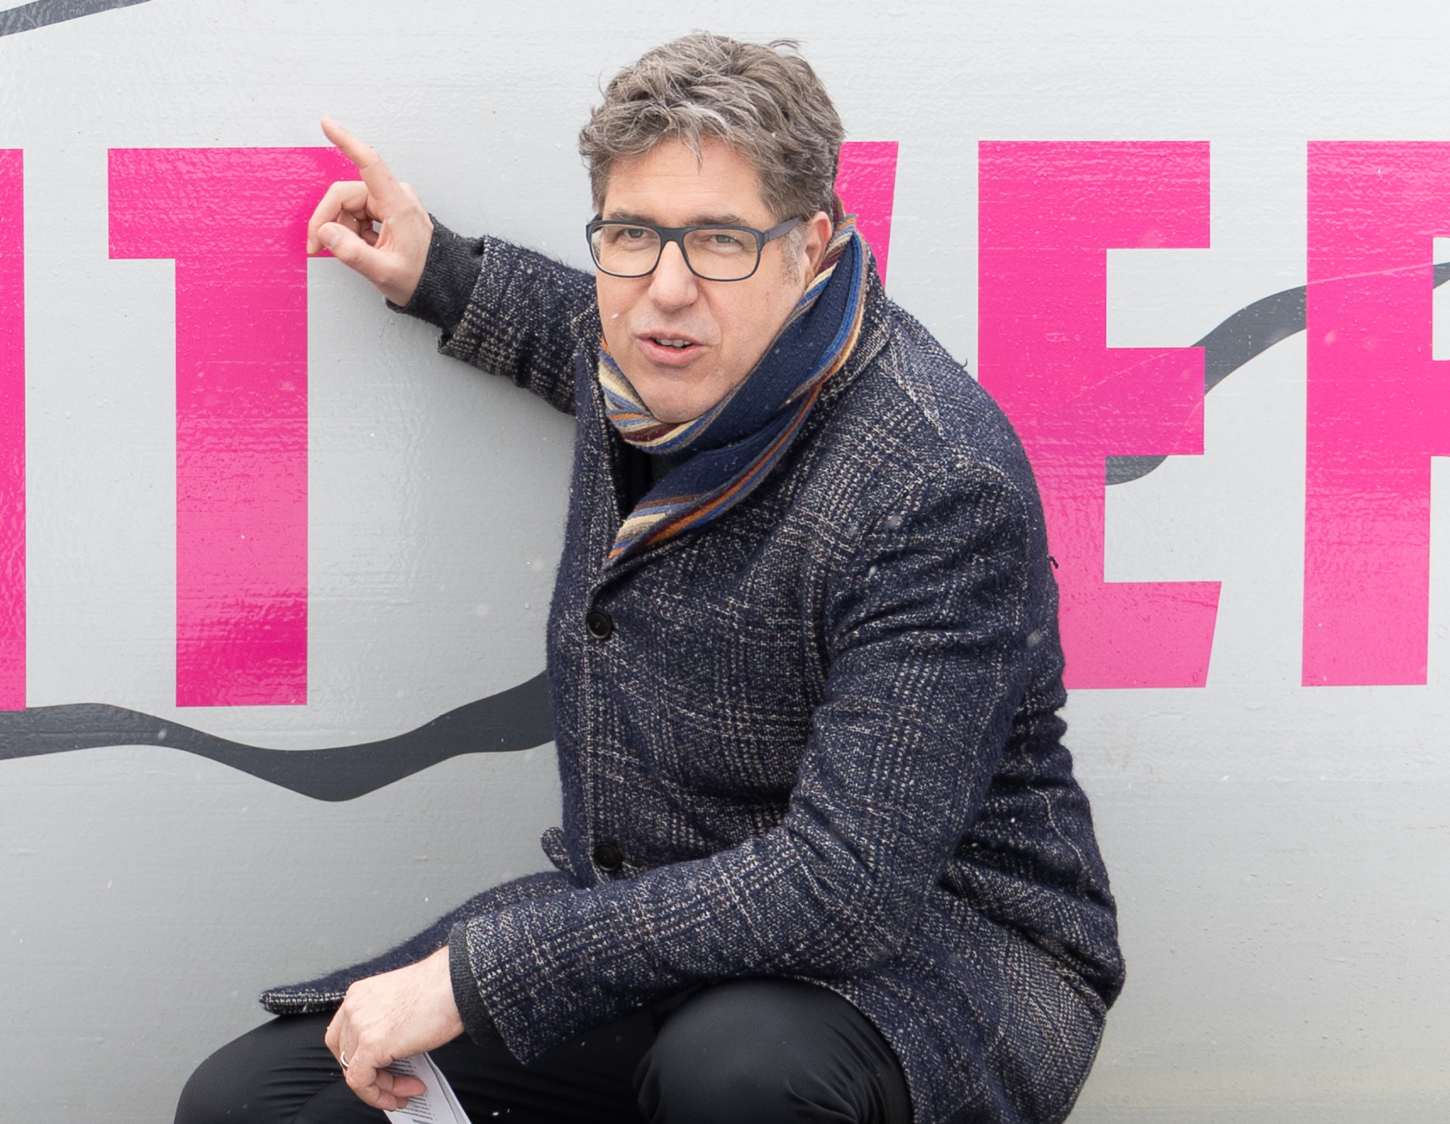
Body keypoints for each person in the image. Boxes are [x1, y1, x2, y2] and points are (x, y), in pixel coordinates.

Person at [175, 33, 1121, 1124]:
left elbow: (848, 881)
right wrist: (439, 271)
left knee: (735, 1078)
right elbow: (571, 328)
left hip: (931, 950)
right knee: (247, 1104)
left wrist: (477, 976)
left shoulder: (935, 480)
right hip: (665, 918)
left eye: (720, 240)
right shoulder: (656, 349)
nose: (667, 290)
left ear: (810, 247)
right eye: (632, 234)